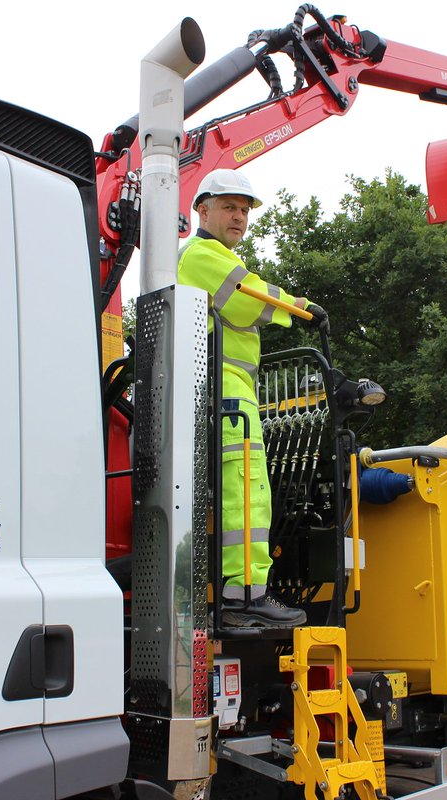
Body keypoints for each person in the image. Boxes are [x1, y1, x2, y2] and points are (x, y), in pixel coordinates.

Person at [177, 168, 326, 628]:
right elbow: (249, 297)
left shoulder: (204, 257)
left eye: (244, 210)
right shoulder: (202, 254)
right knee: (245, 490)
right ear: (202, 210)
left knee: (243, 490)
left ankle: (240, 594)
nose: (239, 217)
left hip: (224, 389)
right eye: (229, 207)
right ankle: (243, 598)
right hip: (222, 390)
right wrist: (302, 308)